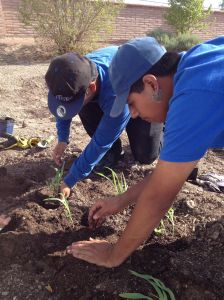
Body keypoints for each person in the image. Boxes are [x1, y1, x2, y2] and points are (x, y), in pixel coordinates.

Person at [66, 36, 224, 267]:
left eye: (131, 103)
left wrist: (113, 254)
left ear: (151, 84)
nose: (134, 114)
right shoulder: (197, 62)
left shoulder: (193, 97)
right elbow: (165, 174)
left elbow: (160, 196)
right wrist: (121, 200)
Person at [45, 47, 163, 197]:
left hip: (142, 94)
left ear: (92, 87)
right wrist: (62, 139)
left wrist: (70, 179)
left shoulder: (116, 91)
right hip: (105, 96)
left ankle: (161, 120)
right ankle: (113, 151)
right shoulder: (72, 74)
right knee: (82, 105)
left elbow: (101, 142)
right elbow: (62, 108)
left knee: (146, 156)